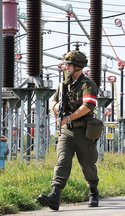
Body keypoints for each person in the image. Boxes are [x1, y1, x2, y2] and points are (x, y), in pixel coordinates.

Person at [37, 50, 100, 210]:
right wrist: (56, 107)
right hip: (66, 131)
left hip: (83, 131)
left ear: (77, 66)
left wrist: (70, 117)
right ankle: (55, 196)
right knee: (62, 161)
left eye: (68, 64)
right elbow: (53, 102)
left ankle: (93, 191)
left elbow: (88, 106)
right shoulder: (63, 85)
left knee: (87, 164)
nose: (65, 67)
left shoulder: (88, 85)